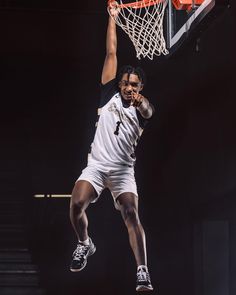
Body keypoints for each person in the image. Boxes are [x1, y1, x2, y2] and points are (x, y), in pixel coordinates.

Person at [69, 2, 154, 292]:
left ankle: (142, 272)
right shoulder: (108, 96)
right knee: (76, 205)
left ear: (140, 87)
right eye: (126, 83)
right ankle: (85, 243)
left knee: (131, 213)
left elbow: (150, 112)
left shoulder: (141, 109)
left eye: (135, 84)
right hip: (97, 165)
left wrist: (142, 102)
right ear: (119, 85)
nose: (129, 87)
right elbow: (111, 52)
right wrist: (113, 18)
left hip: (122, 171)